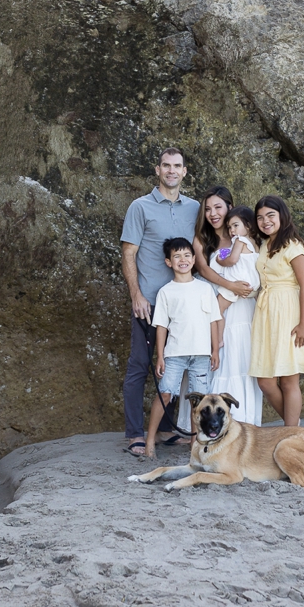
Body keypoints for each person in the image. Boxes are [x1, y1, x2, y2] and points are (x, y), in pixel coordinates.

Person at [119, 148, 201, 456]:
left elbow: (210, 247)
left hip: (183, 305)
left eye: (177, 166)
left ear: (184, 171)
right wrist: (136, 295)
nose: (171, 170)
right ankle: (134, 434)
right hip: (150, 303)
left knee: (175, 367)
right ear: (157, 170)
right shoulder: (140, 207)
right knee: (140, 366)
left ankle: (167, 429)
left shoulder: (194, 208)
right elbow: (128, 253)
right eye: (166, 165)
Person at [179, 189, 263, 429]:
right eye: (207, 209)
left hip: (243, 308)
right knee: (215, 361)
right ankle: (205, 426)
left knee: (240, 361)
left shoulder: (243, 237)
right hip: (216, 303)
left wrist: (249, 289)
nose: (212, 213)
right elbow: (204, 270)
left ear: (229, 207)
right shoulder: (202, 239)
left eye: (218, 207)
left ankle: (243, 422)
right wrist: (231, 286)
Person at [146, 237, 221, 458]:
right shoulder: (166, 291)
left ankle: (195, 444)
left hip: (201, 354)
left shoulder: (205, 288)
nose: (183, 260)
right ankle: (150, 439)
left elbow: (213, 321)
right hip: (175, 354)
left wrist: (215, 350)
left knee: (199, 401)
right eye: (177, 256)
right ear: (168, 262)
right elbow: (161, 326)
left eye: (187, 255)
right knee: (165, 394)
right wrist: (160, 356)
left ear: (194, 259)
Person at [250, 194, 304, 427]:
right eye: (260, 217)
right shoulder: (264, 244)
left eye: (270, 215)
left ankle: (290, 432)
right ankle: (294, 427)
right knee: (265, 382)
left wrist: (303, 324)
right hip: (266, 314)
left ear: (282, 216)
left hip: (289, 313)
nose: (265, 221)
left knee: (288, 381)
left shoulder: (293, 246)